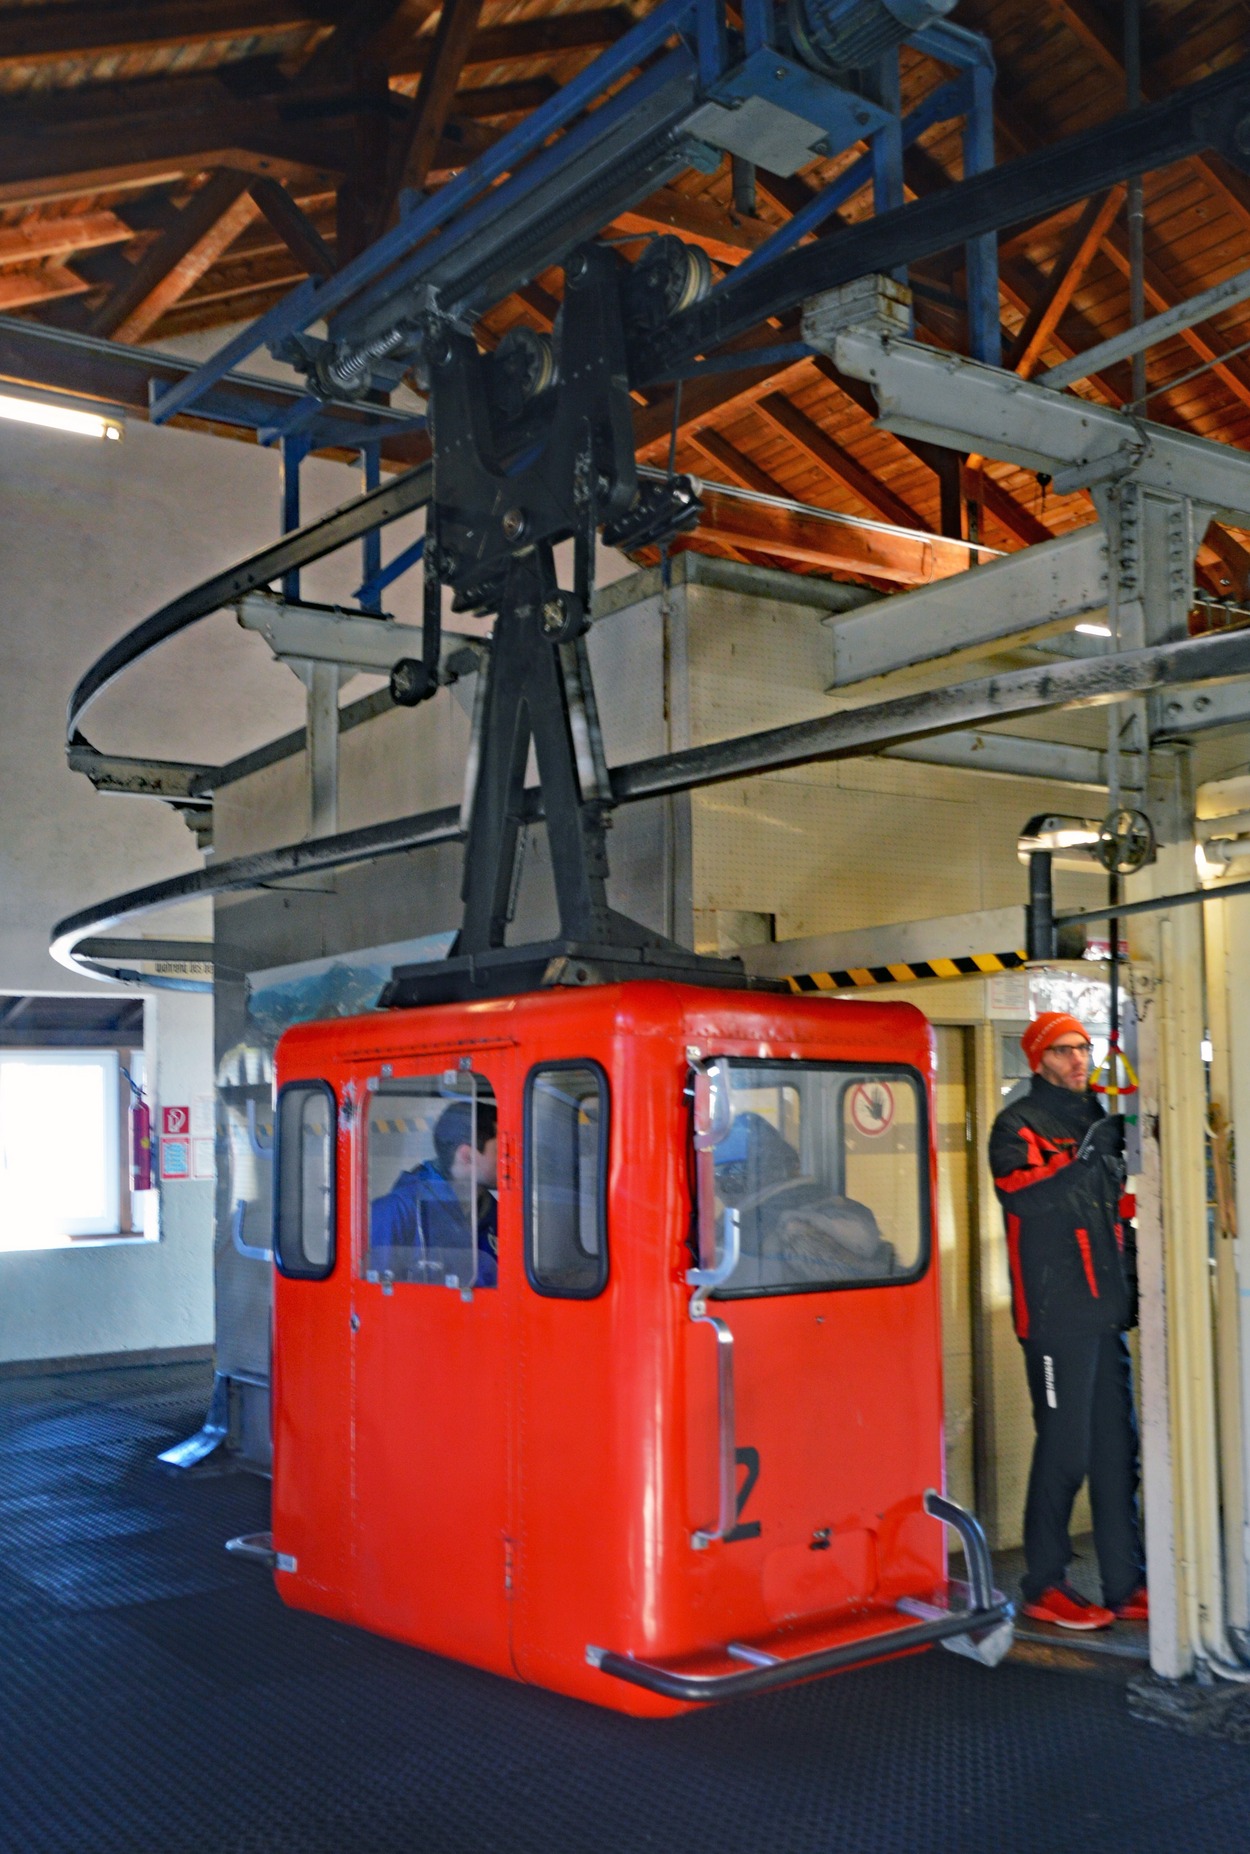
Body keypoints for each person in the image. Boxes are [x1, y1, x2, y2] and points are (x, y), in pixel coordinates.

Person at [989, 1011, 1147, 1630]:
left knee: (1117, 1452)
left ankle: (1125, 1584)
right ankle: (1042, 1584)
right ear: (1037, 1059)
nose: (1077, 1059)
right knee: (1066, 1452)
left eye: (1082, 1048)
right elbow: (1020, 1191)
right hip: (1055, 1317)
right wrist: (1085, 1159)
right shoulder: (1017, 1123)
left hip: (1106, 1314)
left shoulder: (1099, 1117)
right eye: (1062, 1051)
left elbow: (1119, 1210)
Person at [715, 1110, 896, 1284]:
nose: (715, 1189)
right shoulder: (830, 1203)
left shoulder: (748, 1229)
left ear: (735, 1179)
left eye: (718, 1175)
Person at [370, 1098, 499, 1287]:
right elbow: (374, 1299)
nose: (511, 1157)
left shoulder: (497, 1215)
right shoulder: (396, 1212)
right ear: (467, 1155)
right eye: (499, 1149)